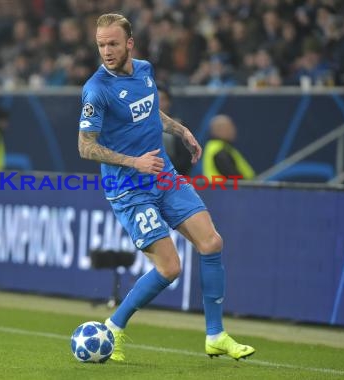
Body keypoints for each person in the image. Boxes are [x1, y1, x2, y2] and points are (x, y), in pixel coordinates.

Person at [78, 13, 255, 362]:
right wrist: (134, 162)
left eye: (113, 43)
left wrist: (180, 130)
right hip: (129, 188)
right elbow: (85, 146)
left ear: (130, 43)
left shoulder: (144, 70)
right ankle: (114, 327)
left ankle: (216, 335)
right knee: (169, 268)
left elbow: (149, 112)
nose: (107, 51)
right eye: (101, 45)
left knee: (212, 242)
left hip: (164, 175)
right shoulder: (96, 89)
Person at [203, 115, 255, 179]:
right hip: (228, 189)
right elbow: (233, 176)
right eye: (230, 127)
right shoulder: (219, 151)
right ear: (219, 130)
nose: (234, 130)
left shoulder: (222, 147)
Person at [159, 85, 193, 176]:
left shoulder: (179, 126)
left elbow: (185, 159)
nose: (157, 103)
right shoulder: (138, 126)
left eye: (162, 99)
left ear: (169, 102)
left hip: (173, 179)